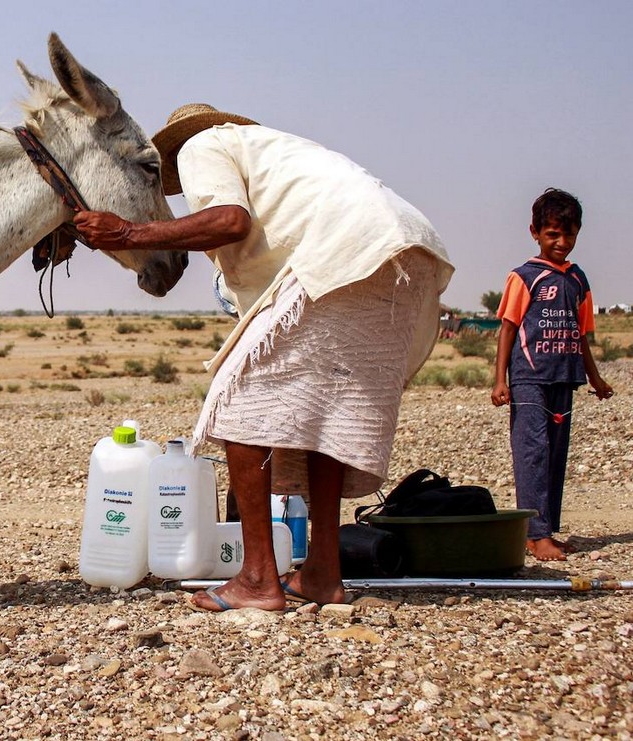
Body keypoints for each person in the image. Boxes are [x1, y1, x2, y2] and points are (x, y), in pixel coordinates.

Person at [72, 104, 454, 610]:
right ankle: (322, 573)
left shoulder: (203, 145)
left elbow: (229, 220)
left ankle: (257, 579)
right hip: (407, 249)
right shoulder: (278, 154)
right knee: (324, 418)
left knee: (241, 408)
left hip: (349, 250)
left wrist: (126, 234)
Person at [491, 188, 614, 561]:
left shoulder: (578, 280)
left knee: (556, 454)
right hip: (529, 378)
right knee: (533, 452)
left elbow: (581, 334)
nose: (562, 242)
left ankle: (545, 530)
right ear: (535, 232)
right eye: (553, 235)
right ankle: (536, 533)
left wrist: (595, 377)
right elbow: (508, 329)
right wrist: (500, 380)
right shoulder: (524, 277)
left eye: (569, 235)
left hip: (565, 376)